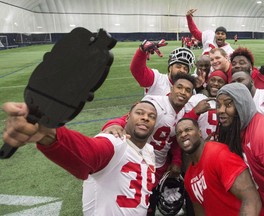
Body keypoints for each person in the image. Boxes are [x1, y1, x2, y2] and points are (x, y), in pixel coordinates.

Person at [2, 101, 158, 216]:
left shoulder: (150, 151)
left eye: (151, 116)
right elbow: (89, 154)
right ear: (127, 117)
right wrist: (48, 133)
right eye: (140, 113)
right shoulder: (116, 141)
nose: (145, 118)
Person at [95, 73, 196, 215]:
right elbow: (132, 118)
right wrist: (114, 124)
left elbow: (173, 140)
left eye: (187, 90)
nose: (183, 92)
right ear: (171, 88)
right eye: (179, 87)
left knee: (150, 203)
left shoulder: (182, 112)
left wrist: (177, 161)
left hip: (159, 165)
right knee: (133, 203)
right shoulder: (157, 104)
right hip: (140, 162)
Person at [215, 83, 264, 215]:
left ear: (242, 105)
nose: (220, 110)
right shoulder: (241, 130)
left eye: (228, 104)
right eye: (218, 105)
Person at [175, 118, 262, 216]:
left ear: (199, 133)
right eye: (179, 133)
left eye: (188, 130)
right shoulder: (188, 178)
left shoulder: (218, 154)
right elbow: (200, 212)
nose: (183, 135)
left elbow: (251, 198)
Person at [130, 42, 195, 96]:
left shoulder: (189, 90)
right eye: (178, 66)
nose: (182, 70)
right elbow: (137, 70)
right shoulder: (157, 80)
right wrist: (142, 51)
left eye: (185, 69)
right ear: (170, 68)